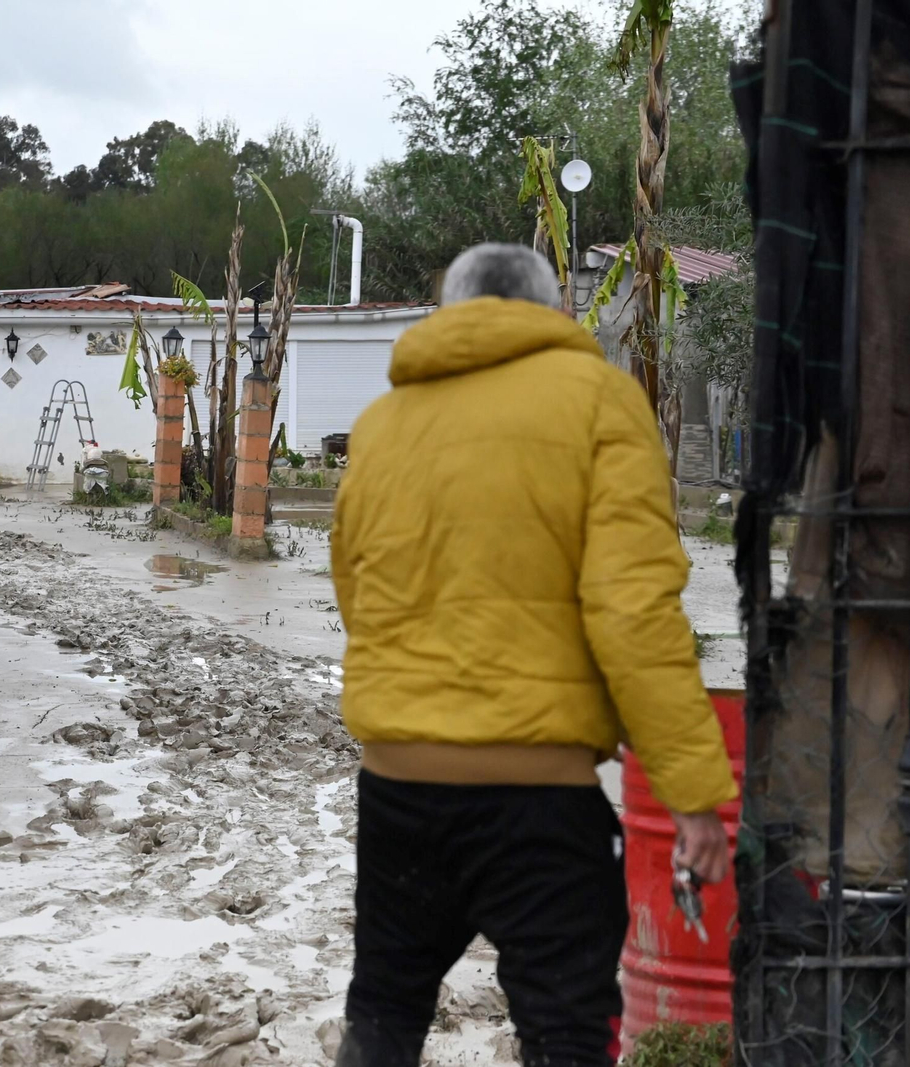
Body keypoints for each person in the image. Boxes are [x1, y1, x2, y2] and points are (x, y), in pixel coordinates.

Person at [330, 243, 737, 1067]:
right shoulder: (599, 403)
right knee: (565, 1032)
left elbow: (358, 590)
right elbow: (633, 613)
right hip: (538, 799)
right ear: (555, 314)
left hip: (398, 786)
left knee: (383, 1010)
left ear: (450, 312)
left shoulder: (382, 424)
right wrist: (694, 795)